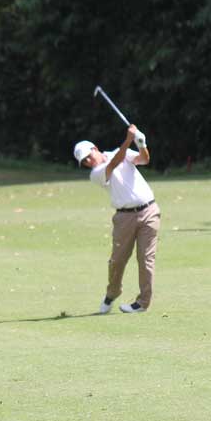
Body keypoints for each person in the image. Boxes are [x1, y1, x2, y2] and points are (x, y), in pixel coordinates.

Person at [74, 125, 161, 314]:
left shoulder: (118, 152)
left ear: (95, 149)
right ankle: (112, 293)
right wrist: (129, 139)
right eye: (84, 161)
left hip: (149, 211)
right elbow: (113, 165)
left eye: (88, 156)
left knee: (146, 259)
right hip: (124, 218)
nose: (88, 161)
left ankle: (143, 302)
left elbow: (144, 159)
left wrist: (141, 144)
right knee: (117, 261)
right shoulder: (96, 174)